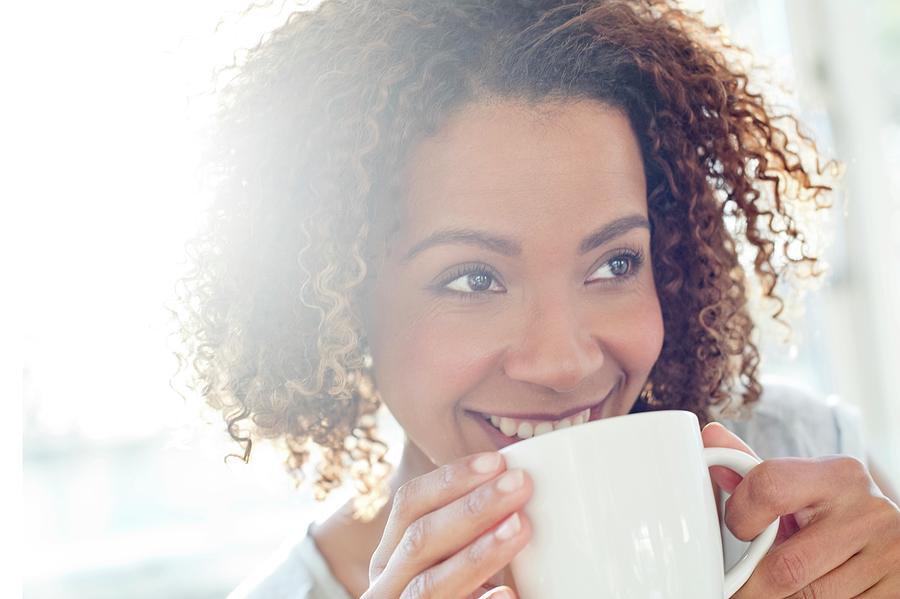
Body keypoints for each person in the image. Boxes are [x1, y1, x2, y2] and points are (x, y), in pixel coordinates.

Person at [171, 0, 900, 597]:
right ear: (337, 300)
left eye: (615, 261)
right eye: (474, 279)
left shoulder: (797, 471)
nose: (562, 361)